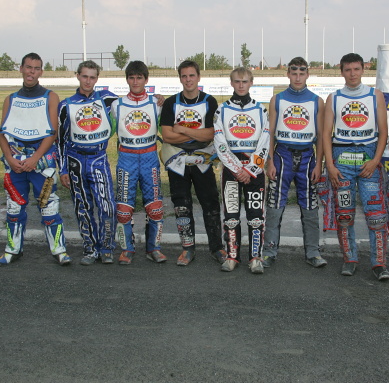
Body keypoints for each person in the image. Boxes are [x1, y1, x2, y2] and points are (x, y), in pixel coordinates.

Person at [322, 53, 389, 281]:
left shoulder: (375, 95)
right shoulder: (334, 98)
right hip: (341, 160)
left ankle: (379, 263)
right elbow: (325, 134)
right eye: (348, 70)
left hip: (368, 158)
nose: (352, 74)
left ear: (363, 69)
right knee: (344, 215)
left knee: (376, 216)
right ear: (341, 72)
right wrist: (330, 166)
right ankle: (350, 259)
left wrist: (375, 161)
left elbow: (383, 131)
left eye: (356, 69)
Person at [0, 52, 70, 266]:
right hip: (16, 162)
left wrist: (35, 158)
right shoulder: (10, 99)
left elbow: (52, 133)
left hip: (42, 162)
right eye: (28, 67)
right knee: (14, 207)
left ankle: (59, 250)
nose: (32, 72)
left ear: (41, 72)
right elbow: (2, 133)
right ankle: (12, 249)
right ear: (21, 69)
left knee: (48, 206)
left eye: (36, 68)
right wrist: (9, 158)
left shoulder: (50, 96)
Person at [160, 60, 225, 266]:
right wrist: (196, 134)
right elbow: (167, 136)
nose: (188, 80)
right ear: (180, 78)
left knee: (211, 203)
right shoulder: (171, 103)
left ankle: (217, 247)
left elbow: (210, 134)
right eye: (184, 76)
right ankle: (187, 249)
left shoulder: (209, 101)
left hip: (203, 159)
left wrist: (183, 129)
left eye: (192, 75)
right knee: (181, 205)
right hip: (177, 159)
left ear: (198, 77)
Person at [262, 57, 326, 268]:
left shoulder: (317, 101)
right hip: (282, 156)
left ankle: (313, 253)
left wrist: (319, 164)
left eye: (302, 73)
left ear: (307, 74)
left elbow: (321, 135)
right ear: (288, 74)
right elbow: (270, 133)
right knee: (274, 205)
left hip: (307, 157)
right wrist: (270, 162)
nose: (298, 77)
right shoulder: (277, 99)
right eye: (294, 73)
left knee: (310, 206)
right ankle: (269, 252)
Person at [58, 60, 117, 266]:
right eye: (85, 76)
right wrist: (63, 169)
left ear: (97, 79)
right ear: (77, 76)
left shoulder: (106, 98)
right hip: (75, 160)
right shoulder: (66, 105)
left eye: (92, 77)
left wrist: (157, 98)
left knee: (107, 206)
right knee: (83, 207)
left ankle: (107, 248)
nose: (88, 81)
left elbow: (132, 103)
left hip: (98, 158)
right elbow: (60, 140)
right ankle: (90, 249)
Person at [213, 67, 270, 274]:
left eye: (245, 81)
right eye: (237, 81)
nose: (241, 85)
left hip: (255, 171)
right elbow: (219, 142)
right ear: (231, 83)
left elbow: (265, 141)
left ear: (251, 82)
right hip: (231, 170)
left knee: (256, 217)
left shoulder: (261, 110)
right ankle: (232, 256)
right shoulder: (221, 110)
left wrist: (251, 169)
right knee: (231, 217)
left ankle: (255, 257)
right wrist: (238, 169)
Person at [110, 60, 166, 265]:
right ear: (127, 80)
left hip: (150, 157)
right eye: (131, 78)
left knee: (155, 207)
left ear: (146, 79)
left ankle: (154, 248)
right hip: (127, 159)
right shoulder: (116, 105)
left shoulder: (156, 104)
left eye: (139, 78)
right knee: (124, 209)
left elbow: (167, 131)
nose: (135, 82)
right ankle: (127, 249)